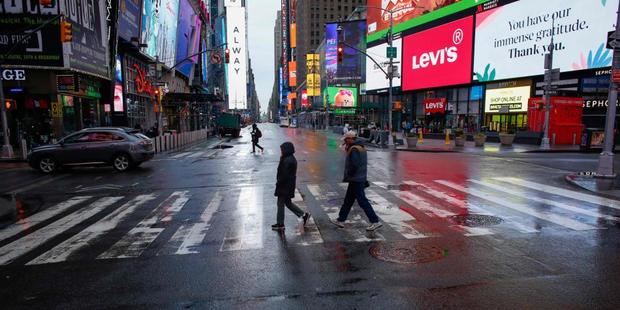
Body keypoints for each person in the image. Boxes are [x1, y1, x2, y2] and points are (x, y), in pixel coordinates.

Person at [330, 131, 382, 231]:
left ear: (350, 139)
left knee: (362, 201)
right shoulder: (360, 147)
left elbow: (354, 165)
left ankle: (375, 221)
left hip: (356, 179)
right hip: (358, 178)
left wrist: (349, 174)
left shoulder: (354, 149)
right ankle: (341, 220)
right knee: (348, 200)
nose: (345, 141)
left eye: (346, 139)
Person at [272, 142, 310, 231]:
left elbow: (283, 175)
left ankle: (280, 224)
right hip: (288, 186)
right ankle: (303, 215)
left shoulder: (287, 160)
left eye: (282, 150)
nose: (281, 151)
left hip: (284, 186)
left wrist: (279, 183)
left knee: (280, 204)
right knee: (288, 203)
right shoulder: (290, 158)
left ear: (286, 150)